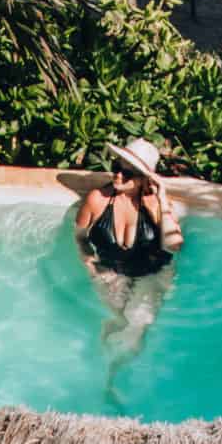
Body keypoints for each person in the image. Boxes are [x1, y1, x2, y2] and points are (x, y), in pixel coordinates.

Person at [75, 138, 183, 364]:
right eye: (116, 167)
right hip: (110, 270)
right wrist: (93, 267)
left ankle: (117, 373)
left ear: (145, 178)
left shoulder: (155, 205)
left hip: (153, 272)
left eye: (128, 173)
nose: (118, 175)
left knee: (138, 326)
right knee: (118, 319)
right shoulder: (98, 200)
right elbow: (80, 237)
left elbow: (174, 245)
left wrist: (162, 198)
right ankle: (100, 365)